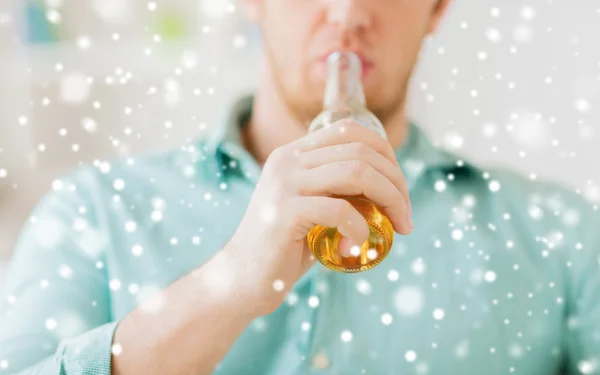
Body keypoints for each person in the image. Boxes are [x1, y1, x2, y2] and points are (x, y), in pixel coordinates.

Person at [1, 0, 598, 374]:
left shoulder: (561, 237)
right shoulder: (94, 210)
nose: (345, 14)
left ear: (438, 8)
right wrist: (230, 284)